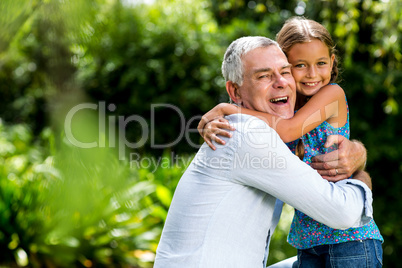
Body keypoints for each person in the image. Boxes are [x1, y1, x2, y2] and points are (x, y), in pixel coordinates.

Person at [154, 36, 374, 268]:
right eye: (264, 76)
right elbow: (343, 213)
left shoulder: (262, 132)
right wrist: (362, 177)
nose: (280, 82)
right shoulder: (247, 134)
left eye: (285, 71)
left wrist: (357, 152)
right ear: (235, 92)